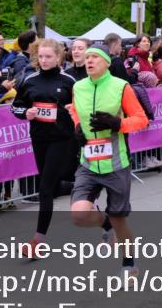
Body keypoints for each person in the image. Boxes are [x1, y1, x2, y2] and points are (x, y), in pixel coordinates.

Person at [69, 42, 149, 276]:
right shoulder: (79, 87)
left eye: (95, 57)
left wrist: (117, 124)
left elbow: (141, 119)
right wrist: (77, 126)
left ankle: (129, 263)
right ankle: (106, 226)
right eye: (87, 57)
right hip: (88, 163)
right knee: (79, 214)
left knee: (119, 219)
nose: (89, 60)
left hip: (116, 163)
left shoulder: (120, 86)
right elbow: (75, 110)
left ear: (106, 62)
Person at [12, 39, 77, 258]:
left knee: (45, 188)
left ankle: (37, 242)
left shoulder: (69, 81)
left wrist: (72, 109)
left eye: (48, 56)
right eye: (40, 56)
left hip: (62, 138)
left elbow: (81, 107)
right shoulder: (29, 80)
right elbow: (16, 106)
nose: (44, 60)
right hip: (39, 138)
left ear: (58, 57)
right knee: (52, 186)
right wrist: (26, 113)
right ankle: (79, 187)